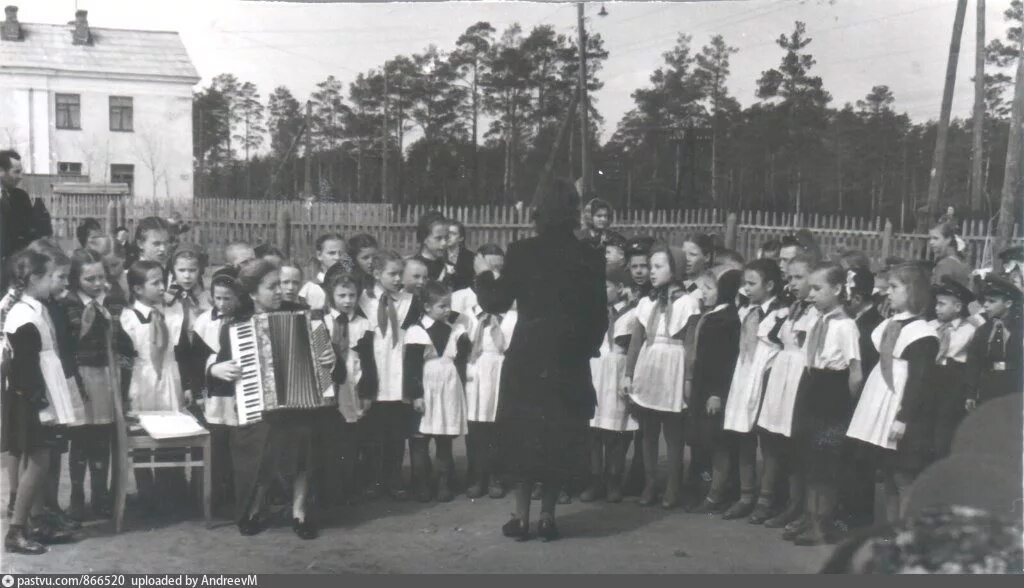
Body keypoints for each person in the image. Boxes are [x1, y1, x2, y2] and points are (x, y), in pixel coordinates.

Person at [474, 178, 606, 542]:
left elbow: (496, 302)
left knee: (525, 434)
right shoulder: (589, 255)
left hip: (529, 356)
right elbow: (599, 316)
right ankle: (548, 517)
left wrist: (483, 274)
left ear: (538, 211)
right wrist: (584, 349)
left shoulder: (522, 251)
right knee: (557, 436)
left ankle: (520, 517)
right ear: (574, 212)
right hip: (568, 359)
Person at [205, 259, 334, 539]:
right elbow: (221, 366)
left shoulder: (306, 317)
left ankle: (299, 512)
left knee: (304, 434)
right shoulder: (236, 328)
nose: (280, 291)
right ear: (252, 293)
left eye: (281, 284)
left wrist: (330, 359)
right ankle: (255, 506)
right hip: (259, 408)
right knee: (261, 439)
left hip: (302, 407)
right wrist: (216, 369)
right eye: (271, 286)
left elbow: (332, 368)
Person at [2, 247, 79, 555]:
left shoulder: (33, 306)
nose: (57, 283)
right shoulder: (22, 314)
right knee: (38, 461)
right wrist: (38, 400)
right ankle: (16, 531)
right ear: (35, 278)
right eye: (52, 277)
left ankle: (35, 523)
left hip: (38, 394)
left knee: (40, 460)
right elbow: (22, 366)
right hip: (32, 399)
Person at [847, 262, 938, 523]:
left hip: (902, 408)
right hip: (881, 404)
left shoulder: (922, 334)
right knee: (887, 473)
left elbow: (919, 382)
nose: (888, 293)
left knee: (902, 476)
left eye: (894, 288)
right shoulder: (889, 323)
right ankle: (889, 530)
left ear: (912, 291)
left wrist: (903, 417)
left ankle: (906, 533)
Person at [789, 263, 862, 546]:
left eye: (818, 288)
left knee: (826, 459)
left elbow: (855, 371)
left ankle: (823, 523)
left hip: (833, 392)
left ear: (838, 289)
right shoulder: (814, 319)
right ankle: (809, 515)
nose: (811, 294)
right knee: (809, 456)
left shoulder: (846, 326)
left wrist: (849, 407)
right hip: (811, 385)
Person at [623, 245, 699, 509]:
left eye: (658, 267)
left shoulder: (688, 303)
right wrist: (629, 373)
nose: (652, 272)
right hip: (650, 363)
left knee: (674, 433)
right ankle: (650, 483)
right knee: (648, 431)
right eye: (650, 267)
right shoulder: (646, 303)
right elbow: (635, 342)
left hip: (674, 365)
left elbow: (691, 345)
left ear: (674, 269)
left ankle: (673, 487)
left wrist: (688, 379)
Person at [753, 253, 818, 528]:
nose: (792, 283)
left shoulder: (817, 314)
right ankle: (767, 498)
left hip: (800, 376)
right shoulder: (791, 309)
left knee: (794, 444)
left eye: (799, 277)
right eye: (789, 278)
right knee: (772, 437)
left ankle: (795, 505)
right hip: (781, 373)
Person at [120, 260, 188, 510]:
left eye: (163, 281)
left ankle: (170, 491)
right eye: (155, 283)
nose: (162, 287)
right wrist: (126, 387)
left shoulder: (172, 311)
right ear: (137, 289)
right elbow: (124, 357)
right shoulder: (128, 317)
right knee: (144, 435)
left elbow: (181, 346)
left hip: (169, 375)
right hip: (142, 378)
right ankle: (146, 493)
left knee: (172, 433)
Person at [721, 258, 785, 520]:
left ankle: (765, 499)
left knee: (767, 439)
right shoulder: (745, 310)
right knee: (742, 434)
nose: (746, 288)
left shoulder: (781, 313)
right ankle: (746, 495)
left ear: (769, 285)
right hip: (744, 374)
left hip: (766, 376)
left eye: (752, 283)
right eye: (744, 283)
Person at [62, 249, 121, 521]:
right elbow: (73, 340)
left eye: (101, 277)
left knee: (102, 437)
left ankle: (100, 495)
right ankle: (77, 496)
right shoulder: (69, 303)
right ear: (76, 280)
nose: (97, 284)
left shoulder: (110, 301)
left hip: (104, 374)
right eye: (90, 279)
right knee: (81, 439)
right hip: (80, 375)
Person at [358, 250, 420, 500]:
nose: (397, 279)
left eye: (400, 274)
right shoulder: (363, 300)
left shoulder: (410, 301)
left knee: (396, 434)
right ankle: (373, 480)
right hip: (374, 376)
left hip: (398, 375)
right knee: (373, 434)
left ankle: (394, 479)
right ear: (375, 273)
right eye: (391, 274)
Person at [404, 281, 471, 503]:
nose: (447, 310)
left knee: (444, 438)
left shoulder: (455, 329)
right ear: (426, 307)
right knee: (420, 439)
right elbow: (412, 366)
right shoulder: (417, 331)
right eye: (442, 306)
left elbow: (462, 356)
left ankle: (443, 483)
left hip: (448, 386)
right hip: (427, 386)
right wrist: (416, 395)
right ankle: (421, 484)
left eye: (448, 305)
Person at [459, 244, 513, 500]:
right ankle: (475, 475)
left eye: (499, 269)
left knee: (498, 424)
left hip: (501, 369)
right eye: (488, 269)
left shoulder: (512, 309)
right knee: (475, 425)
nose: (494, 274)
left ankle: (496, 476)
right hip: (475, 369)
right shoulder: (466, 307)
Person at [580, 267, 637, 504]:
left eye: (605, 287)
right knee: (593, 429)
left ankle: (614, 479)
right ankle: (595, 480)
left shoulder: (632, 314)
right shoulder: (593, 312)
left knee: (615, 430)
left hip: (616, 372)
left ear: (620, 288)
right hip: (595, 370)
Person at [686, 270, 742, 514]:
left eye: (708, 289)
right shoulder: (712, 316)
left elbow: (726, 360)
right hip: (701, 385)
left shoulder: (728, 319)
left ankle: (717, 493)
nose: (703, 294)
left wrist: (717, 393)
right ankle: (706, 488)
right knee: (704, 440)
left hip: (714, 390)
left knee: (718, 441)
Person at [322, 272, 376, 505]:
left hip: (353, 383)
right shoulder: (323, 322)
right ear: (331, 295)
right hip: (330, 384)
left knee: (352, 436)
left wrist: (367, 392)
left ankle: (350, 485)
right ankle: (331, 487)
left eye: (352, 295)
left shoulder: (364, 324)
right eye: (341, 295)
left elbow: (369, 360)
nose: (347, 300)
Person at [928, 277, 977, 459]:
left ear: (957, 307)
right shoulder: (931, 326)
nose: (936, 308)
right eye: (936, 303)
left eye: (942, 304)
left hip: (953, 379)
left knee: (945, 425)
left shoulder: (969, 330)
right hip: (932, 375)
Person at [967, 275, 1022, 406]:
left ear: (1008, 303)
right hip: (988, 386)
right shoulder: (983, 330)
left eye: (992, 301)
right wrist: (971, 393)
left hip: (1014, 386)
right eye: (985, 301)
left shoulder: (1020, 328)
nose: (985, 305)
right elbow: (974, 362)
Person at [1, 150, 50, 290]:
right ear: (1, 171)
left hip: (14, 271)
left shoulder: (21, 197)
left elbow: (30, 233)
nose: (21, 177)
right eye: (16, 172)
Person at [299, 233, 349, 311]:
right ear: (319, 255)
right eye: (332, 253)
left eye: (341, 253)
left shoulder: (351, 286)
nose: (337, 258)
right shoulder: (309, 288)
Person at [928, 218, 971, 289]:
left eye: (935, 238)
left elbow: (941, 295)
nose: (931, 242)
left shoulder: (945, 265)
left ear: (948, 239)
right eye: (930, 238)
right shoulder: (958, 259)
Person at [412, 212, 450, 282]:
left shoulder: (447, 265)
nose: (444, 243)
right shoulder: (413, 267)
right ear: (424, 238)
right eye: (438, 238)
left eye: (446, 238)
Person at [445, 220, 475, 292]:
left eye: (453, 233)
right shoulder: (438, 255)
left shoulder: (470, 257)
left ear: (461, 238)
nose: (448, 236)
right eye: (447, 233)